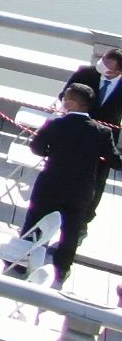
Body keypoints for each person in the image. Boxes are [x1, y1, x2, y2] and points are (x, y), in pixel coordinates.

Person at [16, 85, 122, 286]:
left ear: (71, 103)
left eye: (65, 98)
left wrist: (53, 153)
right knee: (71, 232)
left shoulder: (54, 124)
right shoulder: (102, 131)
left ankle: (20, 262)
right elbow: (115, 161)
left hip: (50, 184)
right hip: (80, 190)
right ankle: (61, 270)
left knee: (34, 223)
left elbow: (36, 148)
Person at [61, 48, 122, 216]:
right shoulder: (85, 73)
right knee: (65, 170)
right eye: (103, 60)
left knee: (97, 178)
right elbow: (63, 96)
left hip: (104, 138)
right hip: (75, 131)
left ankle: (85, 217)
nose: (102, 66)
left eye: (108, 66)